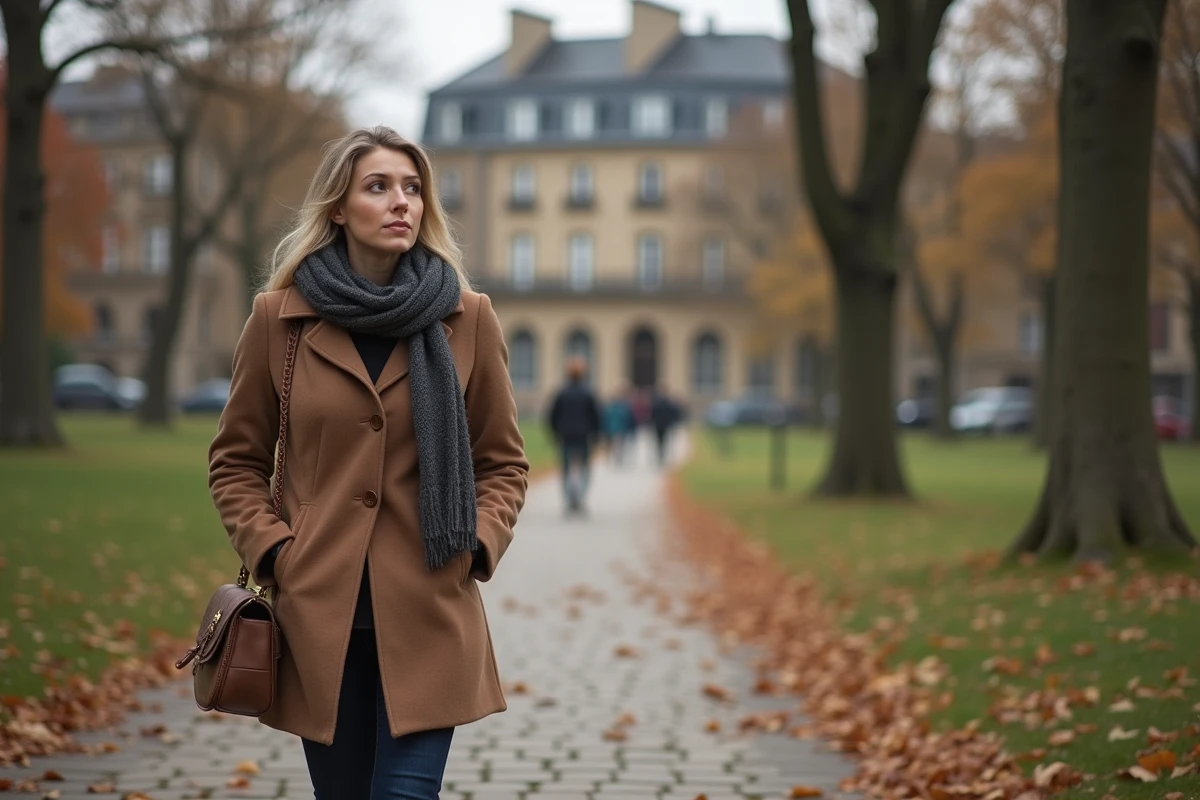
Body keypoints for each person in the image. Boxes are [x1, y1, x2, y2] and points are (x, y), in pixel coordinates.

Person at [208, 126, 528, 800]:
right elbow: (235, 462)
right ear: (338, 209)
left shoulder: (468, 319)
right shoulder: (278, 321)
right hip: (320, 618)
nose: (401, 202)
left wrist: (475, 543)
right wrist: (277, 552)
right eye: (379, 187)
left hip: (430, 611)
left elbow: (502, 462)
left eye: (412, 189)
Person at [546, 356, 602, 514]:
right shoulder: (588, 393)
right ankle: (580, 498)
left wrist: (554, 432)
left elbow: (552, 416)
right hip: (584, 436)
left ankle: (569, 499)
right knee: (584, 468)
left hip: (565, 436)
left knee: (565, 468)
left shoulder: (561, 393)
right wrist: (596, 434)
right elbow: (596, 416)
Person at [602, 388, 635, 467]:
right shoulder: (623, 408)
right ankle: (617, 458)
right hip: (619, 429)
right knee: (618, 445)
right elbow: (628, 419)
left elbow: (605, 419)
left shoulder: (610, 408)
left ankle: (616, 457)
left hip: (613, 429)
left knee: (616, 444)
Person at [650, 389, 682, 466]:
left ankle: (660, 453)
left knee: (659, 440)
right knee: (664, 440)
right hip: (664, 425)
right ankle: (662, 453)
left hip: (658, 425)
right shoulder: (668, 404)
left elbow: (652, 414)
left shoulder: (656, 404)